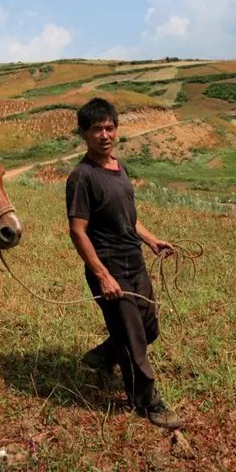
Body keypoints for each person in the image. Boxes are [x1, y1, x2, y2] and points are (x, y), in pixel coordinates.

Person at [65, 97, 183, 430]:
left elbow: (129, 218)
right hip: (109, 267)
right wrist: (102, 275)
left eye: (109, 127)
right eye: (96, 129)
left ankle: (103, 354)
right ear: (83, 134)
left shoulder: (120, 167)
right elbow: (78, 231)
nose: (104, 134)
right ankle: (147, 402)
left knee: (149, 329)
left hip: (135, 260)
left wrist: (152, 239)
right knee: (134, 340)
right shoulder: (81, 177)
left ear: (116, 130)